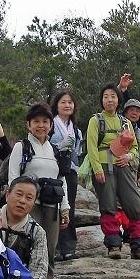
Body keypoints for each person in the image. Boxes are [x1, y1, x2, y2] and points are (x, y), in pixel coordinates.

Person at [85, 83, 140, 260]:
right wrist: (97, 168)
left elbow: (135, 147)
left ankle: (138, 246)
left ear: (118, 100)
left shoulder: (125, 122)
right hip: (104, 167)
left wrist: (129, 156)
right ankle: (114, 245)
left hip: (124, 166)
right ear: (101, 100)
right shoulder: (95, 120)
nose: (109, 100)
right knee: (108, 205)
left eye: (113, 96)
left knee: (134, 204)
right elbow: (91, 146)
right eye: (106, 96)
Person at [7, 103, 70, 279]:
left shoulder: (55, 150)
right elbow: (13, 178)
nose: (41, 125)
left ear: (51, 125)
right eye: (36, 121)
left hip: (52, 207)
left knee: (49, 249)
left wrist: (65, 208)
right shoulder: (22, 147)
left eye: (45, 121)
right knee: (25, 246)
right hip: (29, 206)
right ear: (28, 124)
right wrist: (14, 205)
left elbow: (62, 180)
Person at [0, 176, 61, 279]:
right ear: (7, 194)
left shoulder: (37, 232)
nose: (22, 201)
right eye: (18, 194)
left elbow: (39, 271)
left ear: (33, 203)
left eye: (29, 198)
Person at [114, 98, 140, 248]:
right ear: (125, 112)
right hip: (117, 169)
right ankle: (118, 234)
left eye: (137, 111)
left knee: (136, 202)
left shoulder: (139, 132)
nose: (134, 113)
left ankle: (135, 233)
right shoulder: (117, 128)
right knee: (117, 203)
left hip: (134, 171)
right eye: (131, 110)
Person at [49, 90, 83, 262]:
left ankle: (68, 246)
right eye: (63, 102)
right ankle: (54, 246)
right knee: (53, 207)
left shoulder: (76, 129)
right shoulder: (51, 125)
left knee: (69, 208)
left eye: (70, 102)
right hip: (53, 170)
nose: (67, 105)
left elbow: (78, 152)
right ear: (56, 105)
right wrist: (60, 146)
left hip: (70, 171)